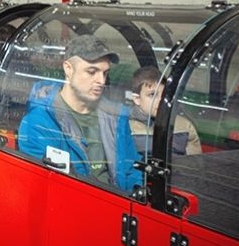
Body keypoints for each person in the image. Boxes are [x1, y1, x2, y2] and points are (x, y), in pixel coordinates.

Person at [17, 34, 141, 192]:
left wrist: (136, 193)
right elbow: (52, 188)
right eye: (92, 72)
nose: (101, 81)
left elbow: (131, 167)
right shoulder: (39, 123)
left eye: (105, 73)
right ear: (68, 69)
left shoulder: (115, 118)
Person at [127, 66, 201, 157]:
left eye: (164, 94)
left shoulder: (184, 126)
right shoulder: (126, 127)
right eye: (152, 95)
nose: (160, 100)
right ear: (137, 99)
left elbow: (194, 164)